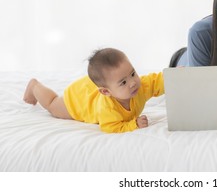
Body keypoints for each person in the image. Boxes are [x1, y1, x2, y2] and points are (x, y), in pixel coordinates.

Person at [23, 48, 164, 133]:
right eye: (123, 82)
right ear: (106, 92)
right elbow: (110, 127)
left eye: (133, 73)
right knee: (52, 105)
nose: (133, 83)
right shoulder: (108, 109)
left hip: (95, 88)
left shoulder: (140, 87)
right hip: (79, 100)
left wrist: (176, 75)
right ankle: (34, 86)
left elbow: (157, 81)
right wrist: (133, 124)